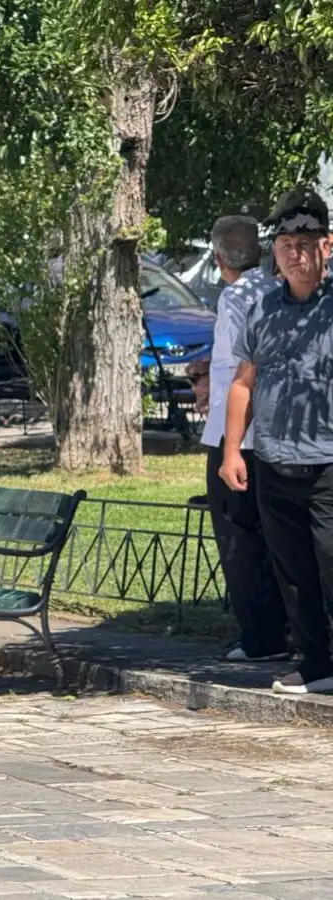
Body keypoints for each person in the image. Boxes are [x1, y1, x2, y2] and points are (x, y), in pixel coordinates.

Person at [223, 186, 333, 695]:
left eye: (305, 243)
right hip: (273, 461)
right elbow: (243, 383)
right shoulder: (262, 309)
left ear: (326, 246)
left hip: (327, 463)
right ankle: (316, 666)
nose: (295, 253)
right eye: (286, 244)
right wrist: (231, 451)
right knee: (293, 571)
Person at [200, 216, 289, 663]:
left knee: (238, 536)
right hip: (273, 433)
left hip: (234, 434)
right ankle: (289, 628)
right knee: (274, 536)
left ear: (219, 259)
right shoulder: (276, 291)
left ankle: (261, 637)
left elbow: (244, 367)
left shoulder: (235, 297)